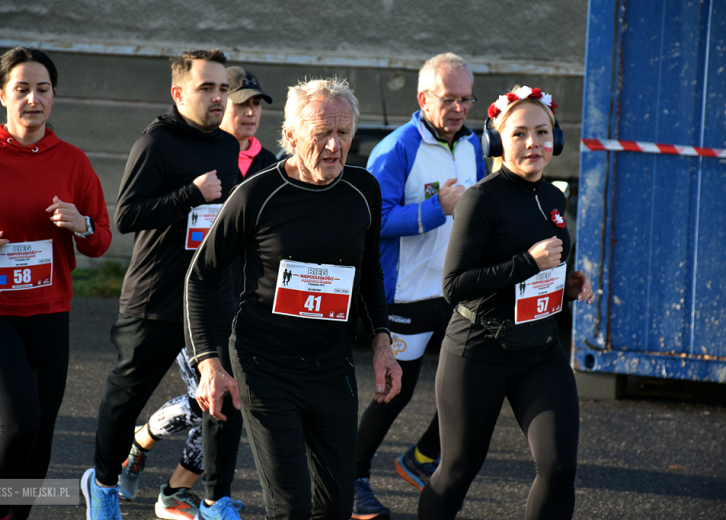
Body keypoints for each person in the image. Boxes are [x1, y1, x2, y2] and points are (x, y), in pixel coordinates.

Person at [185, 77, 403, 520]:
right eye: (320, 132)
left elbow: (370, 271)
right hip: (266, 366)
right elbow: (200, 277)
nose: (333, 145)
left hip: (331, 364)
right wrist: (208, 362)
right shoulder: (257, 195)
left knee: (335, 507)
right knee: (291, 507)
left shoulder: (364, 190)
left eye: (343, 133)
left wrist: (383, 342)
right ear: (289, 136)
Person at [0, 47, 111, 520]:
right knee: (19, 423)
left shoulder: (73, 161)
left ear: (54, 95)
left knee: (42, 429)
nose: (33, 99)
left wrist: (80, 224)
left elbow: (100, 241)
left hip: (48, 306)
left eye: (43, 89)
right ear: (2, 94)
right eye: (21, 89)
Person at [418, 86, 595, 520]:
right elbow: (454, 285)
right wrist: (527, 263)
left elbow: (538, 273)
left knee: (559, 468)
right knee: (458, 468)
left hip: (539, 350)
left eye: (542, 132)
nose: (533, 143)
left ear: (557, 139)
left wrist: (565, 285)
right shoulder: (481, 198)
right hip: (478, 350)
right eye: (519, 134)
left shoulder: (553, 196)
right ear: (497, 142)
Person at [81, 49, 243, 520]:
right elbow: (127, 215)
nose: (218, 97)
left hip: (212, 299)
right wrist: (191, 193)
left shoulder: (228, 146)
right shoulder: (155, 143)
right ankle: (104, 484)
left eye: (222, 88)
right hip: (157, 297)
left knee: (223, 397)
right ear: (178, 93)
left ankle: (215, 500)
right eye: (206, 87)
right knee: (125, 395)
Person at [115, 65, 277, 520]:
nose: (247, 113)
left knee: (224, 402)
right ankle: (176, 485)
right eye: (239, 102)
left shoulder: (271, 166)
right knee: (217, 398)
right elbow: (136, 216)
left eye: (254, 104)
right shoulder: (193, 158)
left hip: (245, 302)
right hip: (181, 300)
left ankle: (162, 469)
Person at [352, 52, 485, 519]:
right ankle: (353, 475)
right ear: (424, 97)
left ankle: (422, 459)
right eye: (450, 99)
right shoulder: (397, 147)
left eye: (467, 100)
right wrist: (437, 208)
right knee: (397, 391)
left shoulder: (472, 146)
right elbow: (371, 220)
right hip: (405, 295)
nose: (459, 109)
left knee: (474, 379)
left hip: (455, 292)